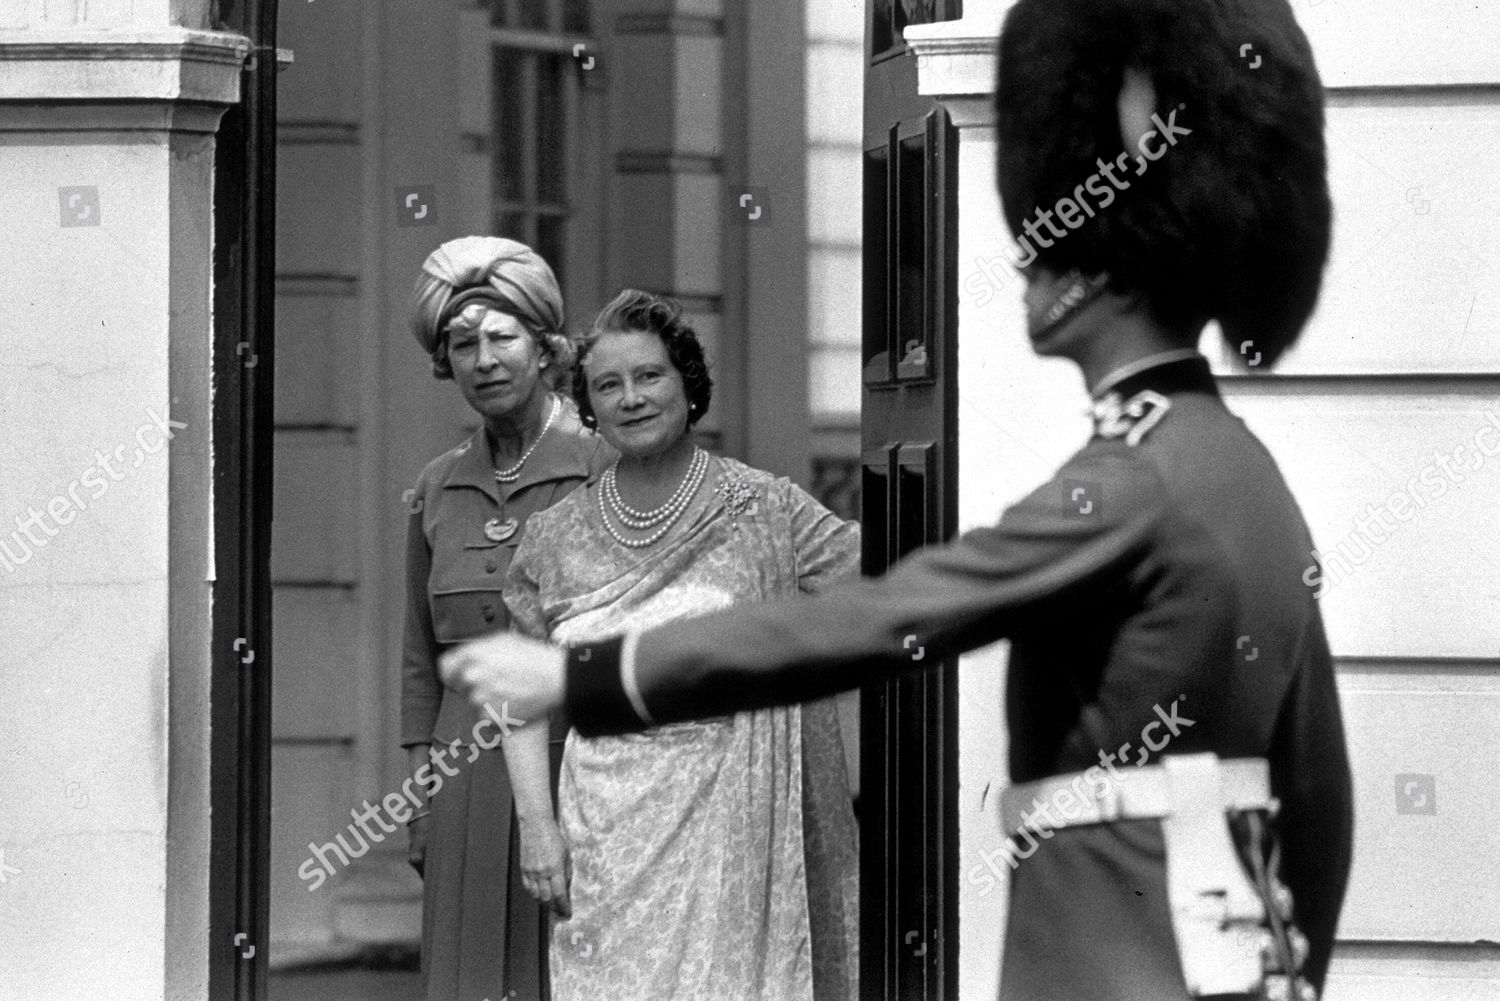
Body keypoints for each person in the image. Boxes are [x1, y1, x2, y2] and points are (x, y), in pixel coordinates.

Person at [439, 0, 1356, 998]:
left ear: (1105, 273)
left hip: (1108, 962)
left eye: (1052, 242)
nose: (1026, 258)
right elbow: (1319, 799)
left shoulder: (1131, 482)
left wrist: (586, 678)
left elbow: (879, 618)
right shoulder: (1242, 469)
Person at [494, 289, 860, 1001]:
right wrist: (537, 826)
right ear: (589, 408)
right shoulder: (553, 538)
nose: (631, 398)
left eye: (650, 376)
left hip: (737, 837)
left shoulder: (767, 508)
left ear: (688, 386)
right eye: (608, 384)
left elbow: (877, 583)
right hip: (607, 837)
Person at [401, 236, 608, 1001]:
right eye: (462, 344)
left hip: (576, 758)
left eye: (501, 337)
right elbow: (419, 659)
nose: (482, 359)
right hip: (461, 770)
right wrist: (420, 794)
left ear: (546, 347)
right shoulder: (435, 487)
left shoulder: (601, 467)